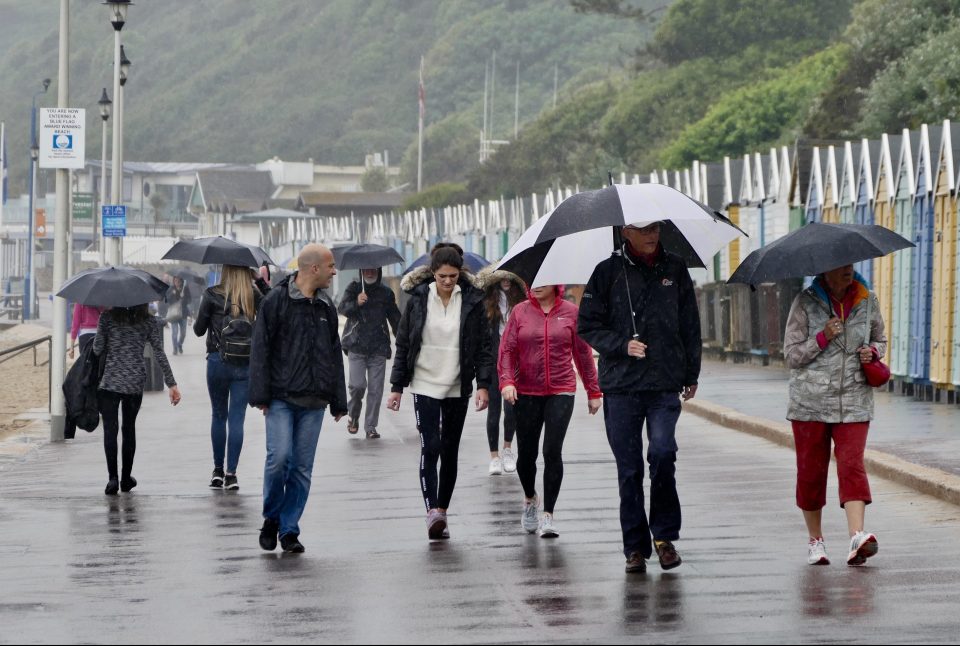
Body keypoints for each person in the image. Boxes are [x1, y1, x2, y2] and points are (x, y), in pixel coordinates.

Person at [577, 221, 701, 573]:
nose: (651, 235)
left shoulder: (675, 268)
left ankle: (664, 538)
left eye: (656, 229)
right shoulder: (607, 272)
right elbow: (587, 325)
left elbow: (690, 323)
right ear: (625, 232)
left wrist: (692, 373)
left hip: (664, 383)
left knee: (662, 453)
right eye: (643, 229)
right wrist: (621, 345)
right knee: (629, 469)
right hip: (621, 386)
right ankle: (635, 547)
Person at [386, 243, 493, 540]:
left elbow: (484, 347)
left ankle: (443, 511)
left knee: (450, 450)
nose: (448, 281)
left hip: (458, 385)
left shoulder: (472, 300)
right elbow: (404, 344)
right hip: (425, 383)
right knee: (430, 446)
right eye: (443, 276)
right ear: (433, 274)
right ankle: (431, 509)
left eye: (453, 276)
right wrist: (396, 387)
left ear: (460, 273)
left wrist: (483, 385)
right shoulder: (418, 299)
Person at [783, 264, 886, 567]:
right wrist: (822, 337)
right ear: (825, 272)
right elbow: (791, 354)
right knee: (811, 472)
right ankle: (816, 540)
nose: (848, 271)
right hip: (810, 403)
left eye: (851, 266)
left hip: (854, 400)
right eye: (841, 267)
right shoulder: (804, 302)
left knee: (852, 464)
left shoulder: (868, 301)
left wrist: (873, 352)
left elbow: (880, 339)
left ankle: (857, 536)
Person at [249, 244, 348, 554]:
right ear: (314, 268)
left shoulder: (326, 306)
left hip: (315, 400)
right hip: (279, 397)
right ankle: (271, 518)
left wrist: (338, 399)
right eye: (331, 266)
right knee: (278, 459)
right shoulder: (276, 301)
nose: (335, 272)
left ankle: (289, 530)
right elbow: (260, 349)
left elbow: (334, 353)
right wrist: (260, 394)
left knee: (301, 468)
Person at [499, 284, 602, 538]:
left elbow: (582, 353)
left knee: (552, 451)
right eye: (532, 282)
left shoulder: (571, 312)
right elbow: (507, 350)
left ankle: (548, 515)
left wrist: (593, 390)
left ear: (556, 284)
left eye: (542, 281)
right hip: (526, 391)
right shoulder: (520, 312)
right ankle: (530, 498)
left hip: (561, 390)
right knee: (526, 456)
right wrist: (507, 382)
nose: (536, 286)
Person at [194, 265, 271, 490]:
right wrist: (260, 281)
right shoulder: (252, 294)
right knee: (237, 419)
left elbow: (199, 330)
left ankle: (217, 472)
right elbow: (275, 304)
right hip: (245, 364)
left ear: (226, 271)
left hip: (218, 361)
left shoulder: (211, 294)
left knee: (219, 416)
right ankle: (231, 474)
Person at [93, 303, 181, 495]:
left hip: (109, 382)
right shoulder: (147, 321)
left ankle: (112, 479)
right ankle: (126, 478)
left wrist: (105, 335)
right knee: (129, 428)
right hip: (134, 382)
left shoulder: (107, 318)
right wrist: (171, 383)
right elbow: (159, 352)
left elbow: (97, 349)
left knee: (110, 429)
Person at [338, 267, 401, 439]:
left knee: (376, 389)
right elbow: (342, 309)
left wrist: (404, 339)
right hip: (356, 346)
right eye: (367, 270)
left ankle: (370, 426)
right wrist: (356, 303)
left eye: (374, 270)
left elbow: (395, 318)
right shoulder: (353, 288)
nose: (370, 273)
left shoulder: (386, 293)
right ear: (361, 271)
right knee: (357, 386)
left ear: (379, 271)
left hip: (378, 348)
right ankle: (353, 415)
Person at [477, 267, 526, 475]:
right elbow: (482, 339)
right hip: (494, 362)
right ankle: (494, 456)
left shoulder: (521, 303)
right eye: (501, 277)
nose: (506, 281)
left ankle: (507, 449)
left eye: (509, 277)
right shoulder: (488, 303)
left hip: (515, 362)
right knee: (493, 410)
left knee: (512, 408)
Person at [65, 303, 104, 439]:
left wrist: (71, 346)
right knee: (100, 372)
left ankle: (89, 405)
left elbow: (75, 323)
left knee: (87, 372)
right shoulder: (101, 299)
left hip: (85, 338)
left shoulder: (80, 301)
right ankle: (101, 404)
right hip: (100, 335)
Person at [165, 276, 192, 355]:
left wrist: (184, 298)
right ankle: (175, 348)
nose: (176, 282)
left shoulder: (185, 288)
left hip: (183, 314)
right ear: (173, 281)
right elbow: (166, 300)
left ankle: (179, 344)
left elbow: (190, 300)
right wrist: (172, 294)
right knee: (175, 333)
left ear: (181, 281)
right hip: (174, 314)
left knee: (183, 334)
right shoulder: (171, 288)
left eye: (178, 281)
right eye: (175, 281)